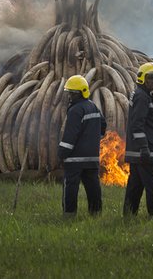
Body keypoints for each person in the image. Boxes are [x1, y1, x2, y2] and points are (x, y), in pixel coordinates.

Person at [123, 62, 153, 216]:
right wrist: (144, 147)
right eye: (150, 78)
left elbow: (143, 120)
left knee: (135, 186)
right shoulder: (142, 97)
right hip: (146, 152)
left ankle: (129, 214)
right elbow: (137, 125)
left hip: (137, 153)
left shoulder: (141, 95)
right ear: (142, 79)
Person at [57, 75, 106, 216]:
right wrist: (92, 138)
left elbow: (70, 136)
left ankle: (69, 214)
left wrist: (61, 154)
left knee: (71, 187)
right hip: (92, 158)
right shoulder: (93, 107)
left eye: (72, 93)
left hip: (75, 159)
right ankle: (96, 212)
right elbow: (103, 125)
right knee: (93, 186)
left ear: (81, 92)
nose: (70, 96)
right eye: (69, 93)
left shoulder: (75, 110)